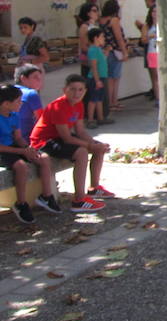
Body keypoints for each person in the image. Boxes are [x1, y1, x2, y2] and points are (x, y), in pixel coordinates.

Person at [30, 73, 112, 212]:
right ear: (64, 90)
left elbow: (80, 131)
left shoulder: (79, 105)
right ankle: (79, 200)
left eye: (80, 90)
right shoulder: (58, 106)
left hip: (59, 138)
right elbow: (67, 138)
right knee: (82, 152)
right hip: (44, 141)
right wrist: (89, 146)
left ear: (85, 91)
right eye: (73, 89)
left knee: (99, 148)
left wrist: (94, 143)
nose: (76, 93)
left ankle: (94, 188)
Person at [0, 84, 61, 224]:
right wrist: (21, 151)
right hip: (3, 151)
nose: (21, 104)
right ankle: (21, 203)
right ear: (6, 104)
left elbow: (18, 138)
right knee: (21, 166)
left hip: (14, 147)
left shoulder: (14, 115)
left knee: (43, 158)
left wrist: (28, 148)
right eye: (18, 101)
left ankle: (46, 196)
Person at [99, 0, 129, 112]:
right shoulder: (114, 20)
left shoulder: (100, 20)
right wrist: (125, 51)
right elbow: (119, 38)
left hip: (105, 51)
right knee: (114, 78)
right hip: (115, 51)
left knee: (109, 78)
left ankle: (111, 102)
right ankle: (113, 102)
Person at [84, 28, 114, 128]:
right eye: (102, 36)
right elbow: (94, 66)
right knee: (93, 99)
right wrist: (97, 80)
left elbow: (102, 60)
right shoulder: (92, 50)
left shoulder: (98, 49)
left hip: (100, 77)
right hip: (95, 78)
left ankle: (100, 118)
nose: (104, 38)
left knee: (99, 99)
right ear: (96, 38)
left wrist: (107, 51)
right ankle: (90, 120)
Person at [15, 64, 45, 141]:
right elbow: (42, 120)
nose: (39, 80)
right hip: (27, 140)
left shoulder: (9, 91)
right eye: (35, 77)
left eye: (40, 77)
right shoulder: (31, 94)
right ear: (23, 78)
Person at [140, 6, 159, 102]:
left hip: (161, 52)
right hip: (152, 52)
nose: (155, 13)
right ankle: (158, 98)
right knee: (155, 77)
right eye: (153, 11)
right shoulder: (147, 26)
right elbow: (143, 40)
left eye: (157, 11)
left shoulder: (162, 24)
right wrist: (151, 36)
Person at [76, 2, 100, 78]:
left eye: (97, 10)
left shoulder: (94, 26)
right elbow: (84, 47)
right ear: (88, 13)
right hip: (88, 61)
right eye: (94, 11)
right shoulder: (84, 27)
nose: (97, 13)